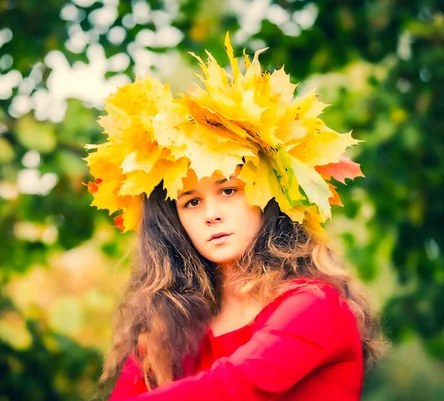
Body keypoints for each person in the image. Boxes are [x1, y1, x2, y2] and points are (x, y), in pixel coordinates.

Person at [84, 33, 386, 401]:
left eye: (229, 191)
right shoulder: (171, 330)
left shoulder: (316, 305)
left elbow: (234, 387)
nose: (211, 214)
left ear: (267, 197)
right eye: (191, 202)